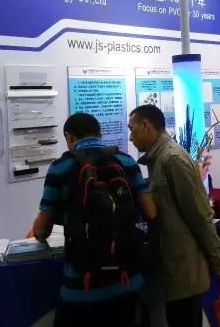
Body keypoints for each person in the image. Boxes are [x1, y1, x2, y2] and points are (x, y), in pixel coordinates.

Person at [33, 112, 157, 327]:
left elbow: (42, 230)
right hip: (127, 280)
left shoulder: (59, 168)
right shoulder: (126, 161)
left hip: (81, 288)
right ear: (100, 134)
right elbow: (151, 212)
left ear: (69, 136)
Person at [128, 104, 220, 327]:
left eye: (132, 129)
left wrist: (215, 256)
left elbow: (199, 214)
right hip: (171, 264)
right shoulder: (159, 159)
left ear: (145, 125)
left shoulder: (173, 159)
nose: (131, 137)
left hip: (183, 267)